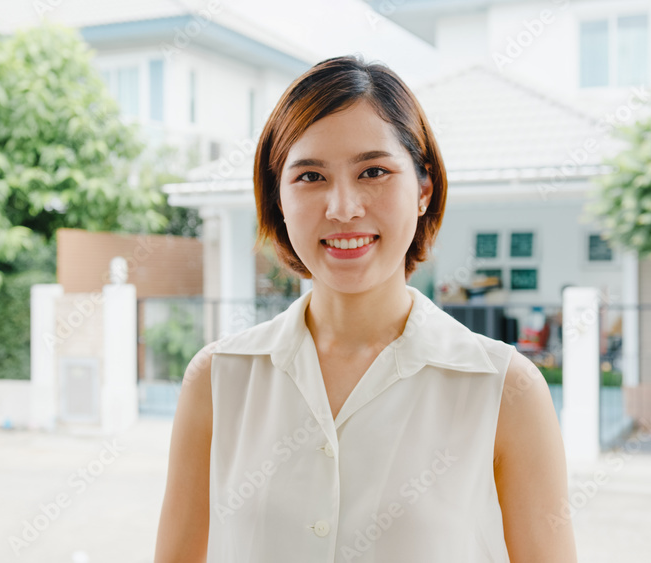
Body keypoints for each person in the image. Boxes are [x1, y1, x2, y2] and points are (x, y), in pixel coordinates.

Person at [154, 55, 577, 563]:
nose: (343, 207)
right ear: (278, 200)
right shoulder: (218, 381)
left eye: (373, 171)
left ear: (423, 188)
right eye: (310, 176)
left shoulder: (505, 389)